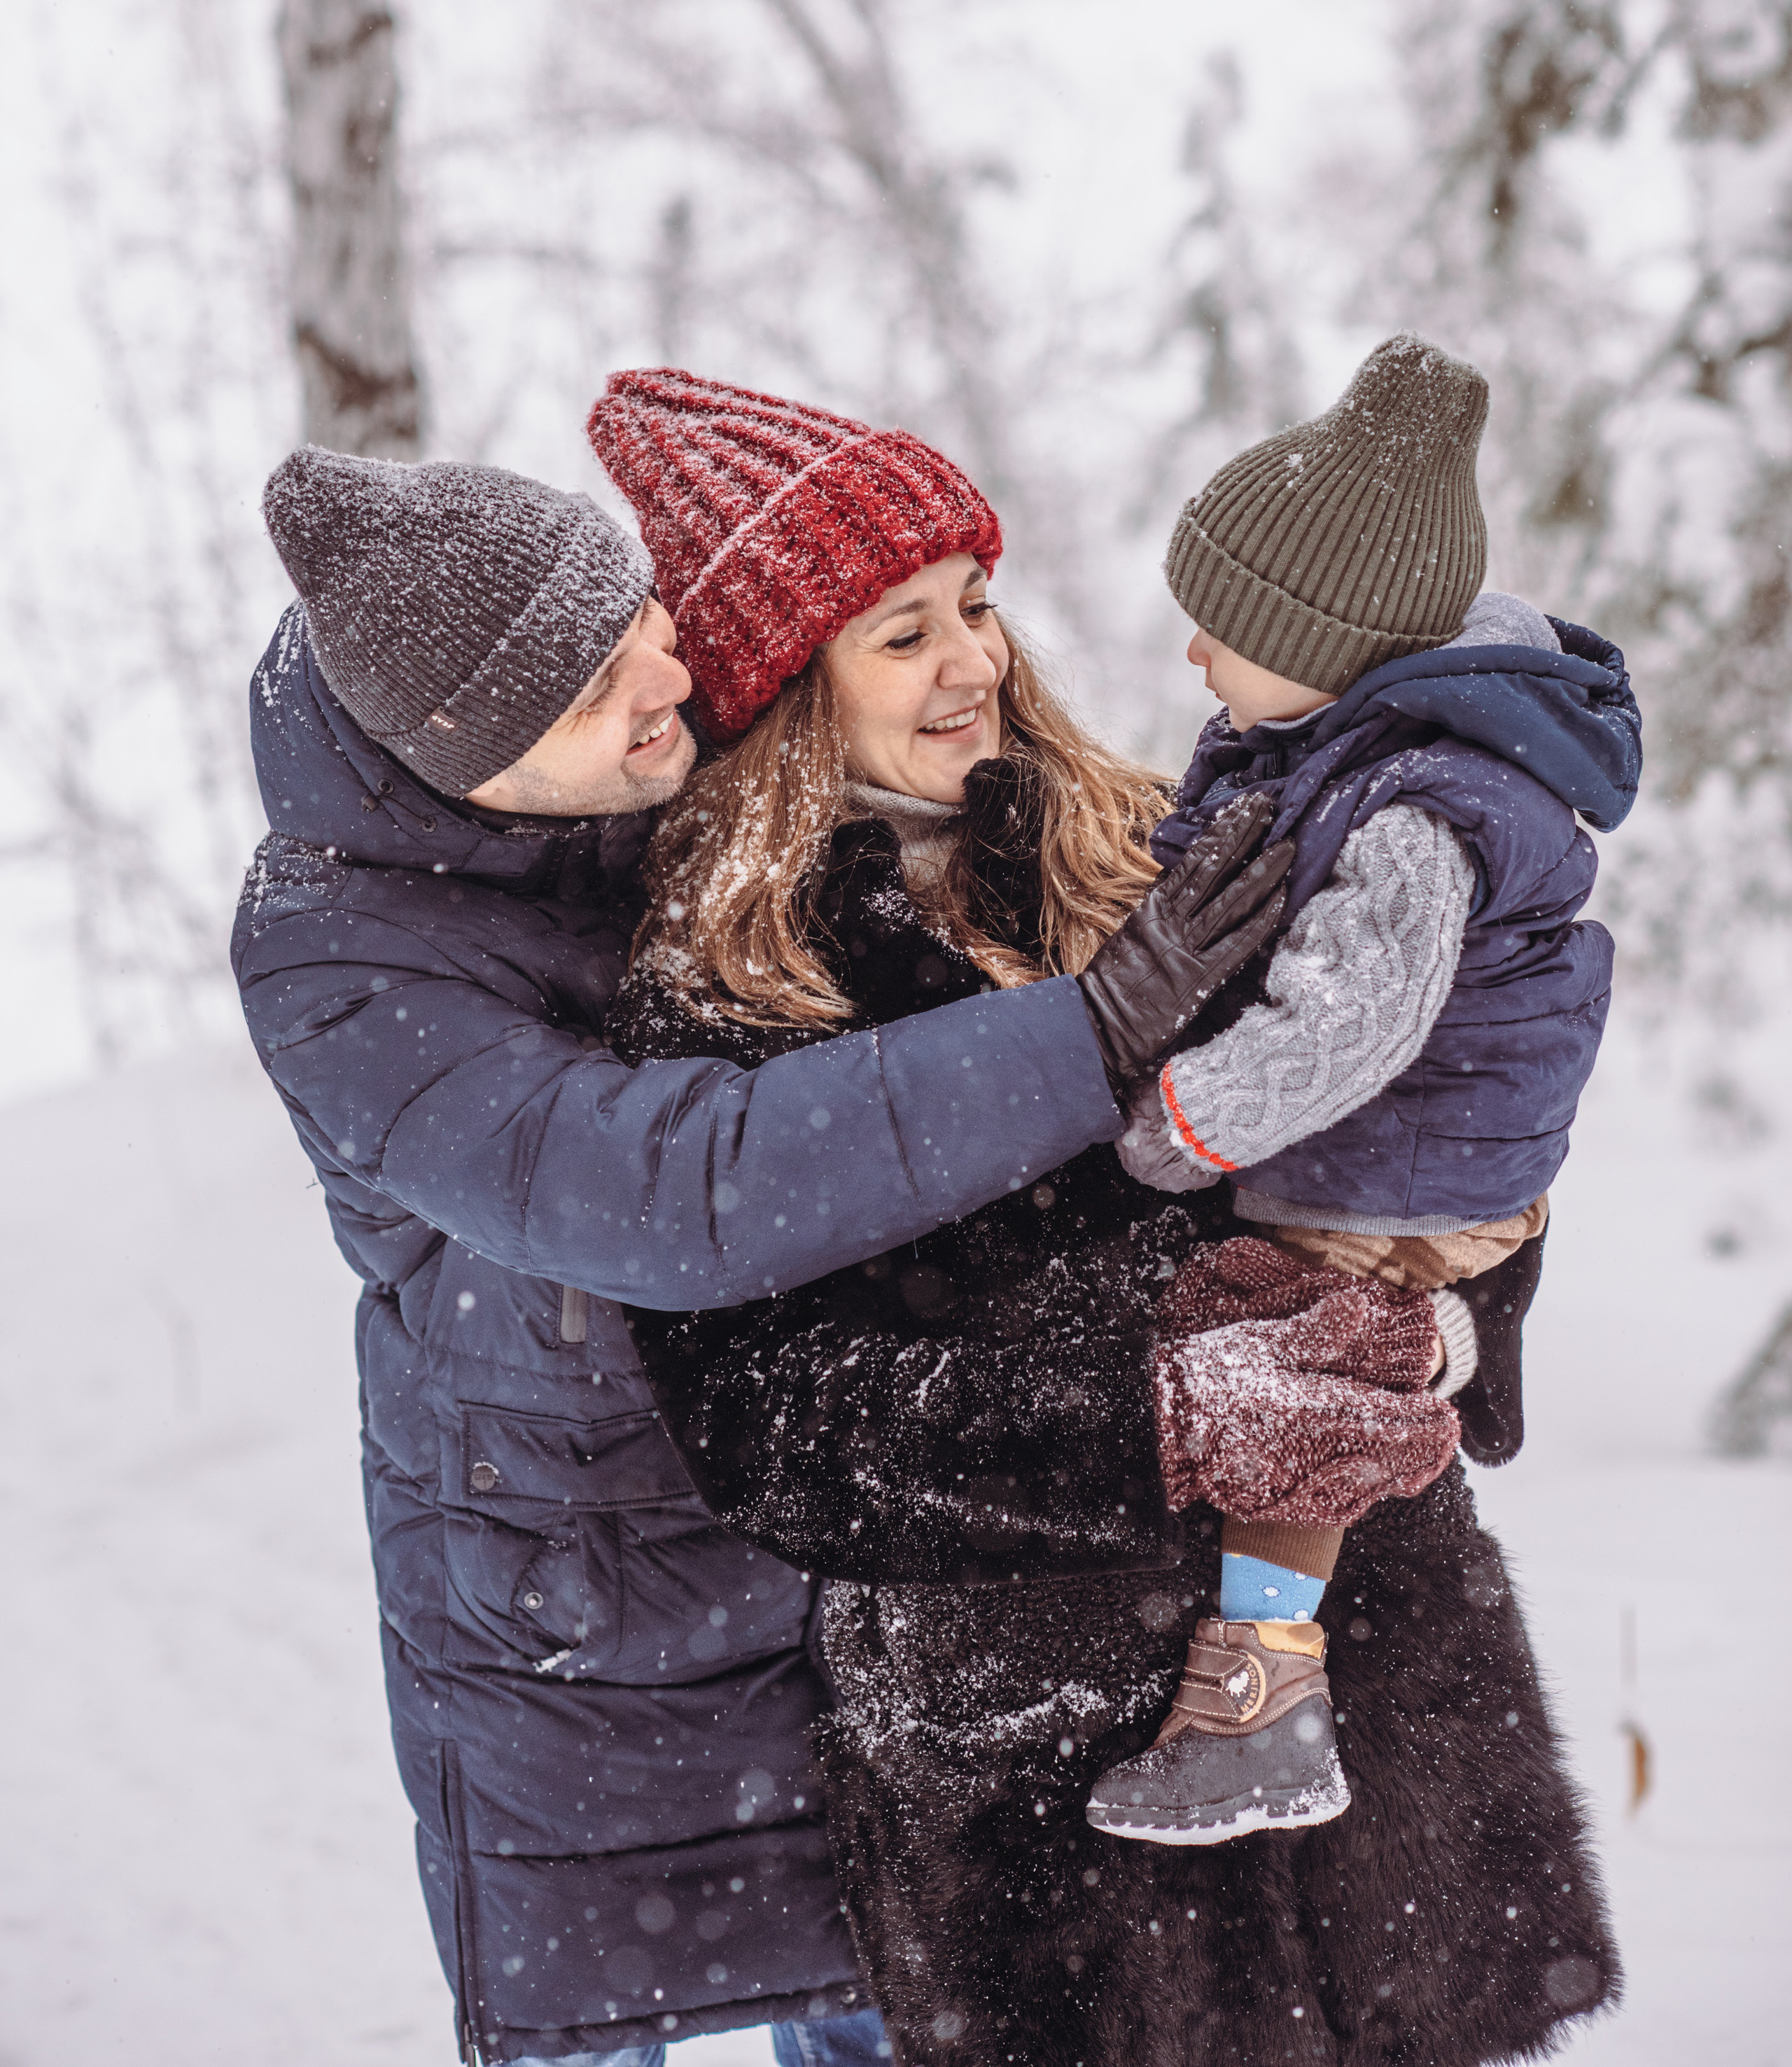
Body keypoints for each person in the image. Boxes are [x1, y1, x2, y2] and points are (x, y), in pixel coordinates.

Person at [592, 365, 1623, 2067]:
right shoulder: (727, 996)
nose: (975, 662)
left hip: (1369, 1694)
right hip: (1051, 1766)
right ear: (780, 692)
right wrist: (1157, 1418)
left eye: (975, 604)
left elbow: (1446, 1120)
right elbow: (774, 1425)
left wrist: (1447, 1330)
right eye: (902, 633)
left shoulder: (1164, 838)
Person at [230, 441, 1283, 2067]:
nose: (672, 682)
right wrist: (1081, 1040)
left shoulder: (667, 771)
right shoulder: (336, 954)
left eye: (642, 625)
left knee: (888, 1993)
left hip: (814, 1506)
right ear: (469, 757)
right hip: (573, 1586)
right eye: (597, 687)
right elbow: (668, 1188)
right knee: (593, 2014)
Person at [1084, 331, 1643, 1843]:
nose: (1192, 657)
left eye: (1221, 628)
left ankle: (1258, 1702)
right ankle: (1441, 1352)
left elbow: (1348, 1027)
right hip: (1412, 1159)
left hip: (1394, 1169)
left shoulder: (1412, 811)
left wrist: (1176, 1126)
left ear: (1330, 643)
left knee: (1289, 1380)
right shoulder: (1357, 748)